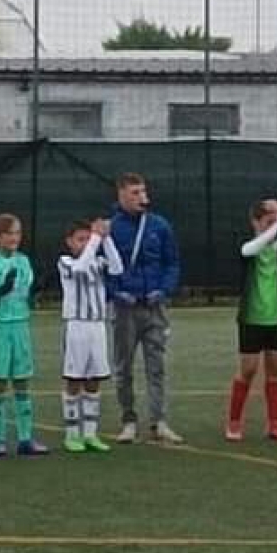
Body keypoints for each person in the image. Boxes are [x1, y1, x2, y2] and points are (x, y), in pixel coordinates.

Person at [107, 173, 184, 445]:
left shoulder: (159, 225)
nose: (142, 197)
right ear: (121, 195)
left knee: (156, 365)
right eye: (134, 193)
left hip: (154, 307)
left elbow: (171, 262)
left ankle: (159, 421)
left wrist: (164, 289)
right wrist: (116, 293)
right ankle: (128, 420)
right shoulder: (111, 228)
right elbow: (103, 267)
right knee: (123, 367)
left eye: (143, 191)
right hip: (125, 309)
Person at [228, 199, 277, 442]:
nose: (273, 227)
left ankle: (275, 424)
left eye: (275, 222)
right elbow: (248, 250)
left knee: (274, 372)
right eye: (267, 221)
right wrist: (276, 225)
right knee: (248, 370)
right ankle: (234, 422)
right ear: (255, 222)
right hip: (252, 319)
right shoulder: (249, 246)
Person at [0, 214, 45, 456]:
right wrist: (0, 290)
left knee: (22, 379)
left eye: (17, 233)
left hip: (20, 324)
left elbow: (26, 291)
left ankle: (25, 438)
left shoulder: (23, 261)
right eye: (8, 233)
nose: (14, 238)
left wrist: (35, 292)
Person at [58, 217, 124, 453]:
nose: (86, 244)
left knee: (94, 378)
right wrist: (95, 238)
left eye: (88, 239)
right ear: (69, 242)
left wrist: (106, 238)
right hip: (77, 325)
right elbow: (80, 269)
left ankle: (90, 433)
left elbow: (117, 268)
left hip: (97, 325)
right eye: (81, 239)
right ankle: (72, 434)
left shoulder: (97, 260)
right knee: (74, 378)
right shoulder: (65, 262)